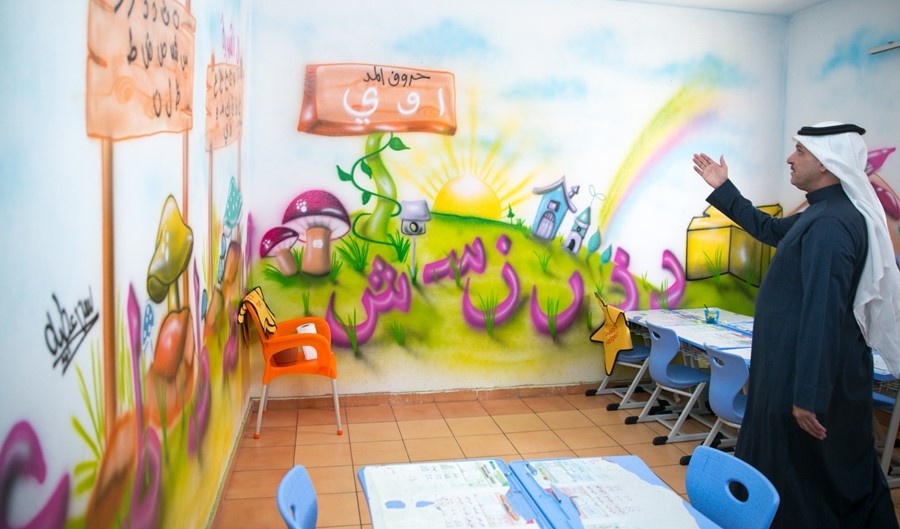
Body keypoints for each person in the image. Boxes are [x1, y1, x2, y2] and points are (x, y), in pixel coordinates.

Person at [693, 122, 900, 528]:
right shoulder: (821, 213)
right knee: (798, 476)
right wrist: (724, 188)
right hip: (790, 374)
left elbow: (823, 312)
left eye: (800, 152)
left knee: (813, 484)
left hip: (805, 384)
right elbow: (769, 229)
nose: (791, 158)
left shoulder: (832, 225)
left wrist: (808, 394)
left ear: (827, 163)